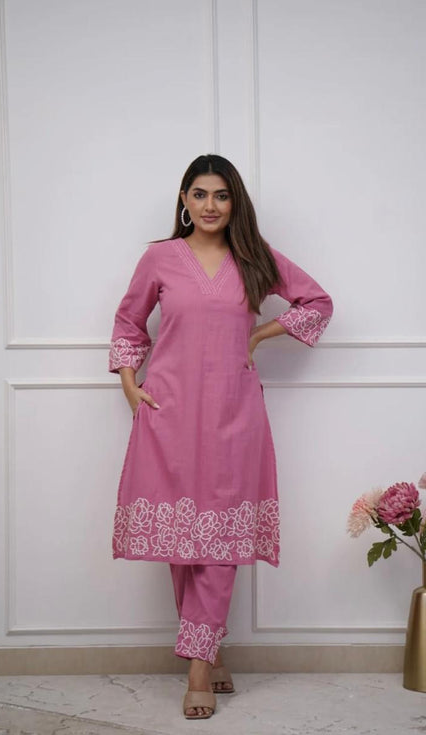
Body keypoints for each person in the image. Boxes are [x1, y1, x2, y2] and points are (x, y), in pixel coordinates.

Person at [108, 154, 333, 719]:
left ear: (235, 203)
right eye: (200, 194)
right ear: (184, 200)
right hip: (169, 415)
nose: (211, 206)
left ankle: (199, 670)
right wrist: (132, 387)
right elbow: (129, 323)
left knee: (220, 544)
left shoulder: (253, 258)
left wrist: (259, 332)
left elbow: (317, 303)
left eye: (222, 196)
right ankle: (209, 651)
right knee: (183, 544)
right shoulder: (159, 258)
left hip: (235, 417)